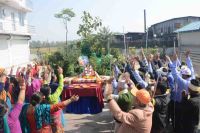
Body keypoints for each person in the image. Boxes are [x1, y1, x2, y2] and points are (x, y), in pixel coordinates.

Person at [40, 66, 65, 133]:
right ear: (50, 91)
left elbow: (44, 88)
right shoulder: (53, 98)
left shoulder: (42, 97)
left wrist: (45, 79)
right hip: (55, 119)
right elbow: (60, 87)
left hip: (47, 119)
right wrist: (60, 74)